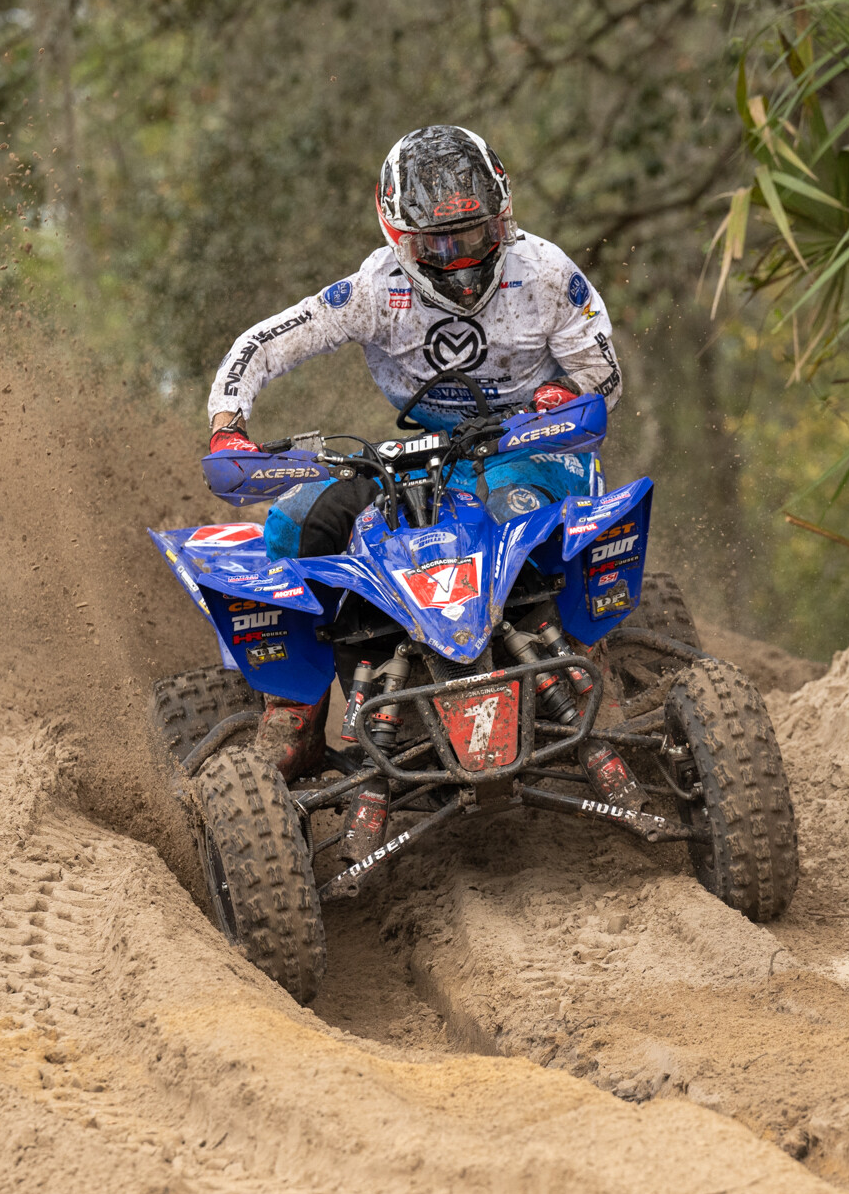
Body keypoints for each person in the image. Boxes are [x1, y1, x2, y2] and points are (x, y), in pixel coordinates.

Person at [203, 124, 624, 778]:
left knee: (512, 504)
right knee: (293, 522)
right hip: (438, 458)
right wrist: (229, 426)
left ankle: (584, 670)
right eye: (438, 244)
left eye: (475, 236)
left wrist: (561, 396)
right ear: (399, 237)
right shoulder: (376, 289)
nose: (459, 260)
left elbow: (605, 375)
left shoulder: (545, 272)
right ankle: (297, 709)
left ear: (503, 215)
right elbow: (260, 344)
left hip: (538, 444)